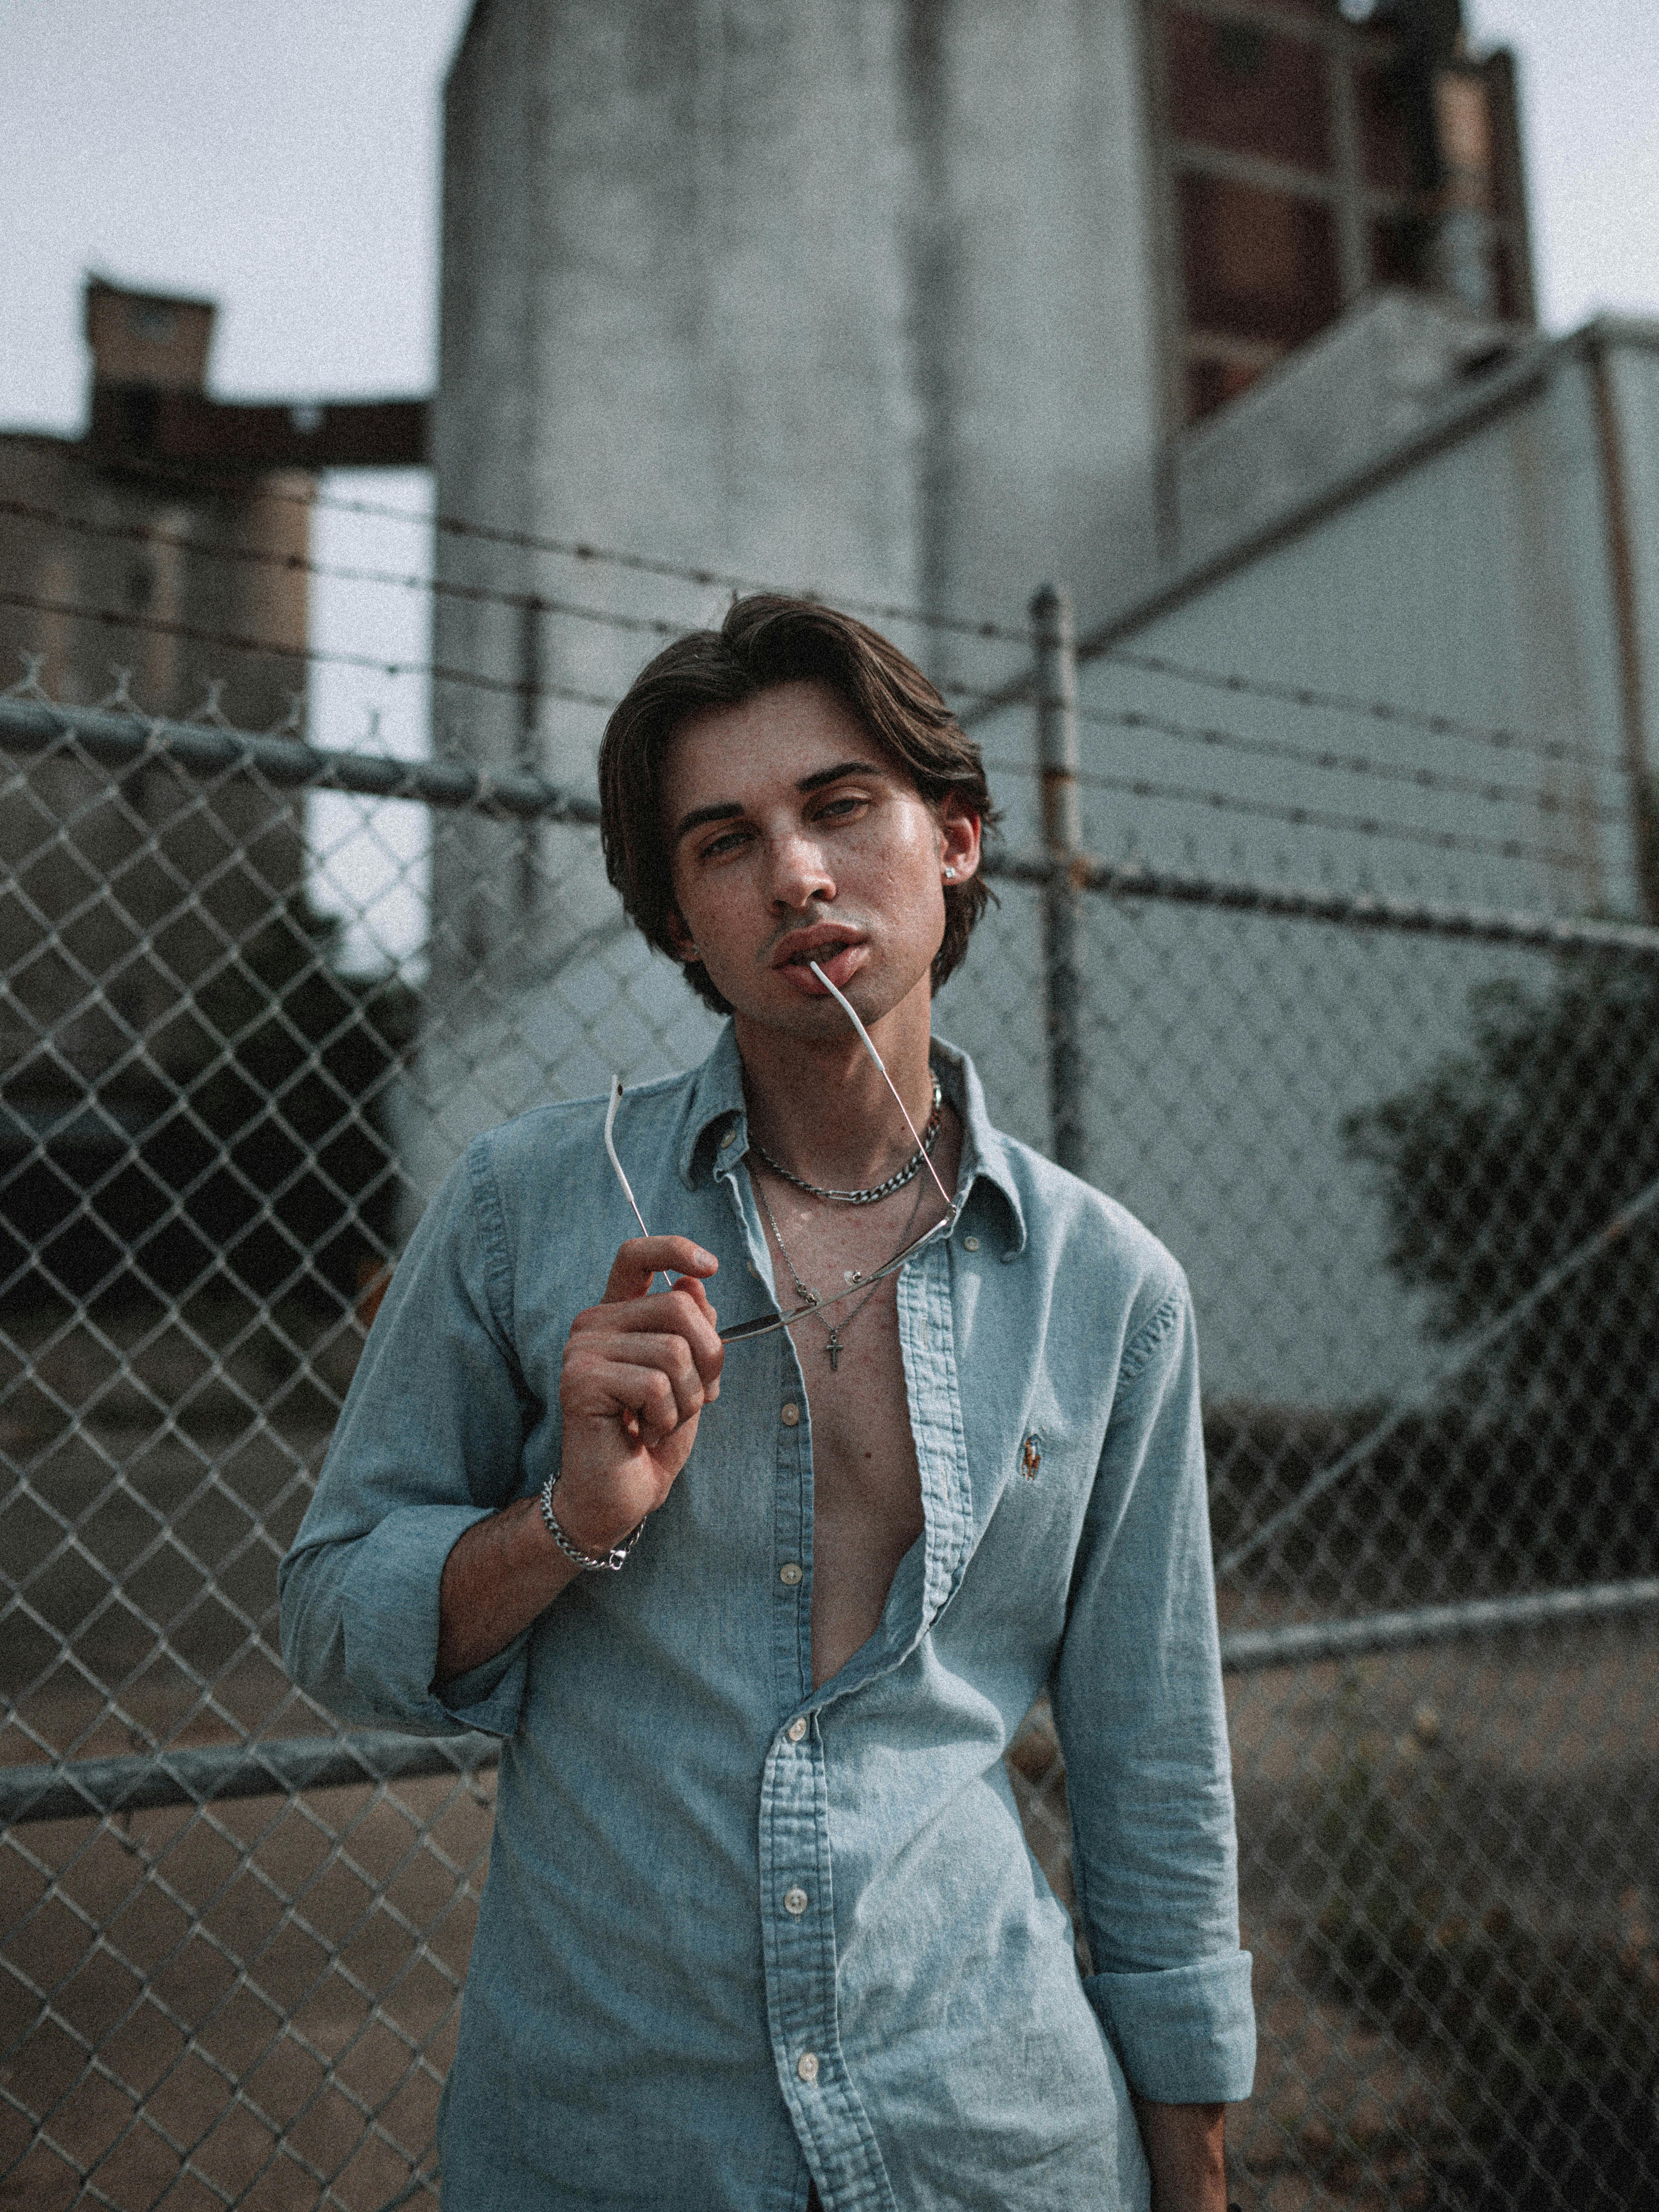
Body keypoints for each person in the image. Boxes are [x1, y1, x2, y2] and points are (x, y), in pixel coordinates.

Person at [279, 595, 1253, 2211]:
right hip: (619, 2142)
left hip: (993, 2135)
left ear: (953, 836)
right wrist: (565, 1525)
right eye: (723, 842)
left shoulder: (1108, 1284)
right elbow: (331, 1614)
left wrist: (1194, 2172)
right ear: (679, 920)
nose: (794, 872)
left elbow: (1152, 1759)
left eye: (838, 806)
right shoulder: (531, 1208)